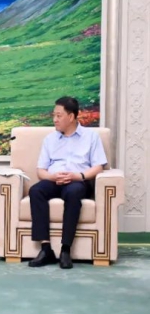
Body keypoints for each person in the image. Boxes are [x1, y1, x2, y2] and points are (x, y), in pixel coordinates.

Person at [28, 96, 107, 269]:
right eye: (54, 115)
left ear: (71, 117)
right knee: (36, 190)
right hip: (54, 180)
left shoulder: (91, 137)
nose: (54, 119)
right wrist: (53, 177)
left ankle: (65, 249)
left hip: (78, 181)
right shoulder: (50, 139)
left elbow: (98, 167)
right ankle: (46, 249)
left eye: (59, 115)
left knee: (73, 193)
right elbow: (41, 171)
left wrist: (77, 176)